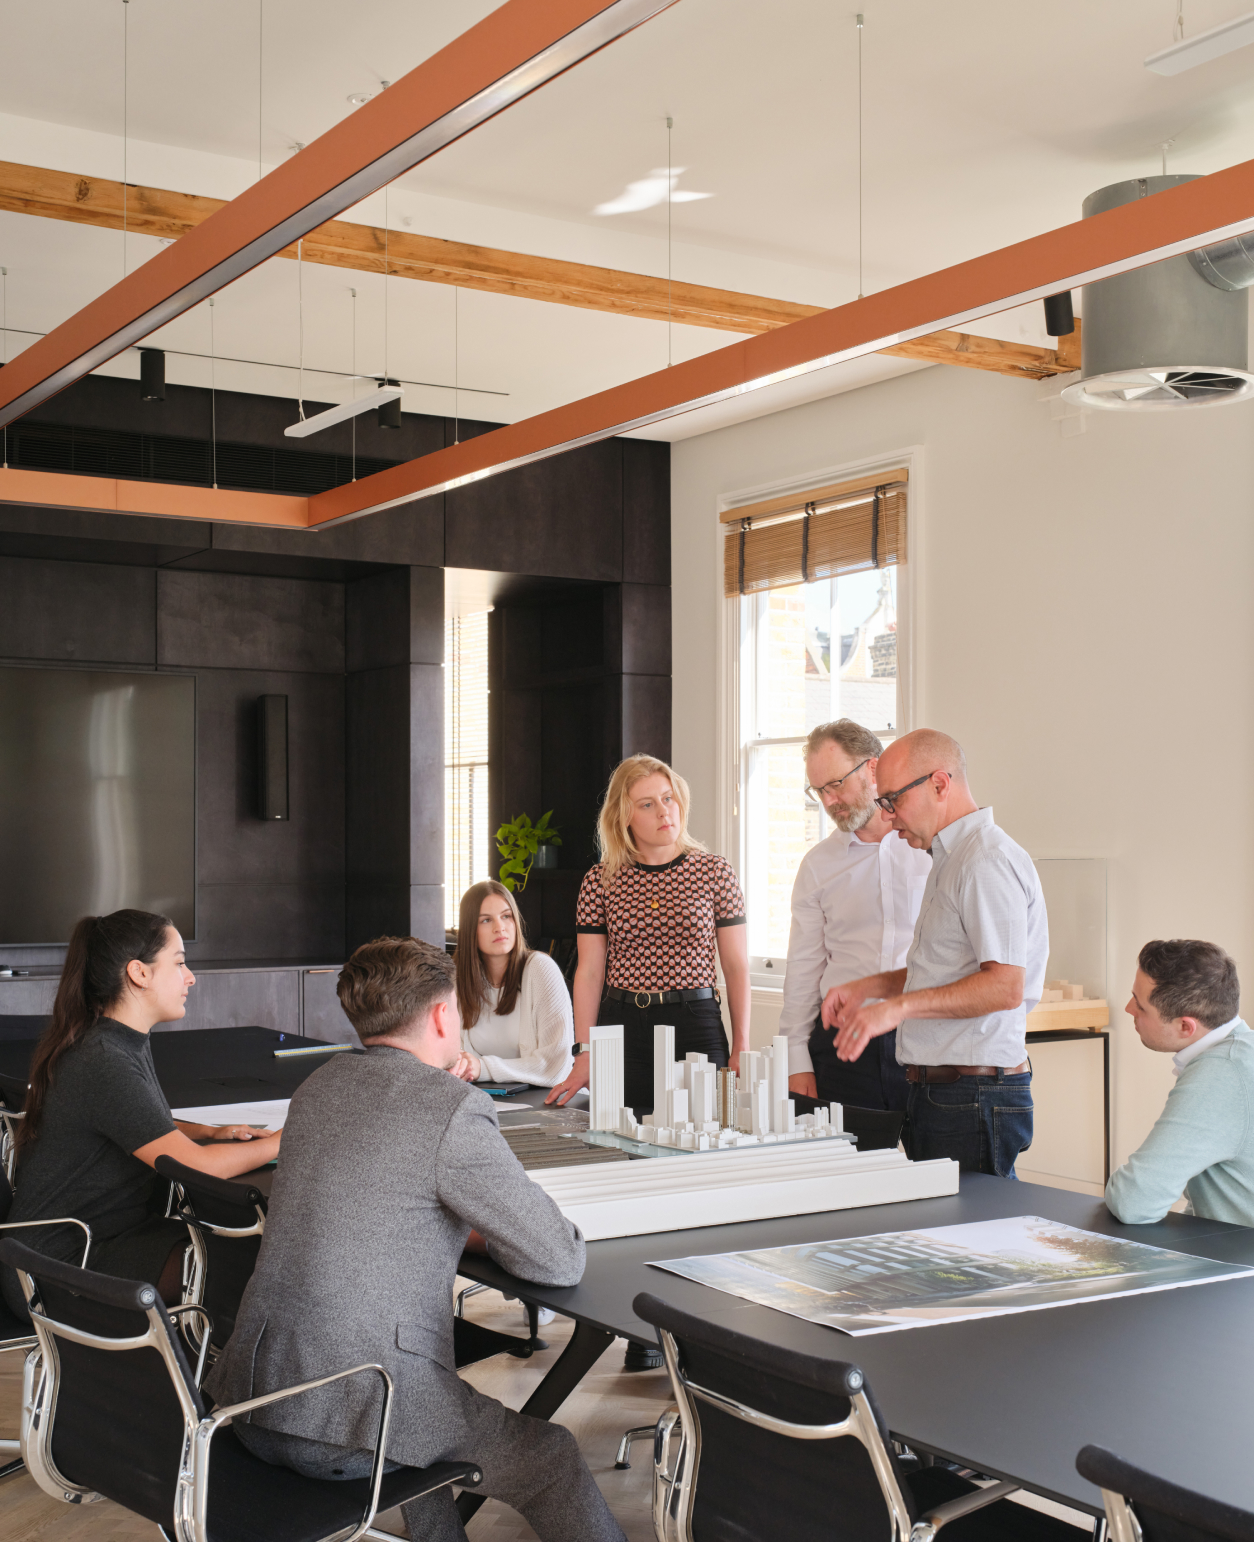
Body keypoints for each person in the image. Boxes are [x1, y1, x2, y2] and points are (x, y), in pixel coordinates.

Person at [206, 936, 623, 1542]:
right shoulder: (452, 1109)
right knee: (549, 1457)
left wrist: (455, 1228)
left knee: (427, 1420)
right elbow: (557, 1259)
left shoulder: (320, 1085)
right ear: (442, 1014)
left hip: (255, 1400)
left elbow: (380, 1203)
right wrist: (494, 1231)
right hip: (359, 1414)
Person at [1, 910, 281, 1322]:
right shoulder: (104, 1060)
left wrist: (207, 1132)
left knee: (248, 1255)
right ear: (139, 973)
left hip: (93, 1241)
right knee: (257, 1264)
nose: (190, 978)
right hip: (59, 1266)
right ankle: (216, 1363)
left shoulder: (117, 1040)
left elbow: (129, 1120)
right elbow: (197, 1167)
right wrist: (287, 1139)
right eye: (179, 963)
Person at [824, 729, 1047, 1177]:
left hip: (971, 1094)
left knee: (972, 1225)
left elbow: (1004, 987)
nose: (887, 817)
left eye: (893, 800)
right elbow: (944, 971)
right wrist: (872, 987)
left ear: (940, 784)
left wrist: (896, 1008)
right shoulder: (951, 857)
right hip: (947, 1093)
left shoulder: (985, 860)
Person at [546, 754, 750, 1116]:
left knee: (704, 1134)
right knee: (619, 1137)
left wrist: (742, 1045)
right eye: (647, 804)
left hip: (695, 1023)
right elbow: (589, 972)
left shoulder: (715, 872)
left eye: (668, 798)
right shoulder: (600, 880)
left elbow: (736, 967)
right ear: (624, 816)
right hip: (622, 1027)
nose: (664, 811)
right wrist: (585, 1052)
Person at [780, 720, 932, 1112]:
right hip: (843, 1050)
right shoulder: (818, 866)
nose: (829, 801)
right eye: (819, 791)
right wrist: (796, 1058)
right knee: (845, 1153)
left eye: (836, 784)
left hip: (928, 1041)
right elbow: (804, 968)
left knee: (933, 1153)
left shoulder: (930, 849)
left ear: (873, 768)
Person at [1106, 940, 1254, 1226]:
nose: (1128, 1008)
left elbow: (1133, 1200)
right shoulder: (1244, 1052)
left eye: (1140, 1005)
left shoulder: (1221, 1073)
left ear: (1186, 1026)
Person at [452, 879, 574, 1088]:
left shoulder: (540, 969)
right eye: (486, 920)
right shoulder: (456, 978)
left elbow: (555, 1065)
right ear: (469, 929)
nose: (500, 928)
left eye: (506, 916)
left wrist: (482, 1068)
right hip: (482, 1096)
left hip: (543, 1097)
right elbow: (453, 1058)